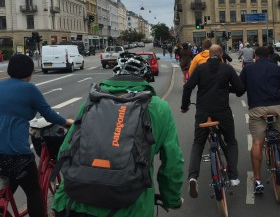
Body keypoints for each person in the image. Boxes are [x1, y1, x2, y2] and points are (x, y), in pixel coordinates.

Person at [52, 55, 184, 216]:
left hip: (75, 204)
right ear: (144, 79)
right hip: (130, 208)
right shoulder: (159, 107)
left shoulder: (92, 101)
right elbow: (172, 162)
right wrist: (172, 199)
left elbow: (65, 151)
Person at [0, 54, 73, 217]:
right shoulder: (29, 89)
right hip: (16, 154)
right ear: (30, 72)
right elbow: (49, 115)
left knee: (8, 185)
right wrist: (67, 122)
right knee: (34, 192)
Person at [181, 45, 245, 198]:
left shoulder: (201, 69)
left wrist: (184, 106)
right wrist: (227, 88)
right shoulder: (227, 69)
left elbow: (188, 87)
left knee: (198, 143)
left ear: (209, 55)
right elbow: (240, 89)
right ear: (221, 54)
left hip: (203, 112)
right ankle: (233, 176)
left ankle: (192, 177)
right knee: (231, 141)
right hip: (222, 113)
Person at [239, 46, 280, 194]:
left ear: (255, 56)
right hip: (277, 107)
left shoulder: (248, 69)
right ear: (269, 55)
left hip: (257, 109)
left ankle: (258, 181)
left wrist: (247, 87)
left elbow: (239, 89)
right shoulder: (277, 69)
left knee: (257, 142)